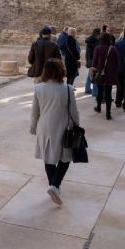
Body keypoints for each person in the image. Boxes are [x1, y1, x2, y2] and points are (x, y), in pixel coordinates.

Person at [30, 59, 79, 206]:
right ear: (61, 71)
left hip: (44, 128)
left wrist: (33, 127)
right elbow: (74, 112)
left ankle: (53, 186)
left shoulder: (38, 89)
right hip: (63, 127)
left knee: (48, 157)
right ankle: (55, 186)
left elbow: (34, 113)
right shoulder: (68, 89)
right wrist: (77, 125)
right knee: (65, 158)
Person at [91, 33, 118, 120]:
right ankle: (108, 114)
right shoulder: (113, 48)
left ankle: (98, 107)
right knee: (108, 93)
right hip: (109, 74)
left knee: (100, 91)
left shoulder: (98, 48)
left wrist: (93, 70)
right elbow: (117, 61)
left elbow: (94, 61)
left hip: (100, 73)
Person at [84, 28, 101, 95]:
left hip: (89, 59)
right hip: (94, 59)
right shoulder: (96, 41)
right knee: (94, 75)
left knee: (90, 74)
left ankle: (87, 89)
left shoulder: (89, 39)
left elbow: (87, 52)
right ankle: (94, 91)